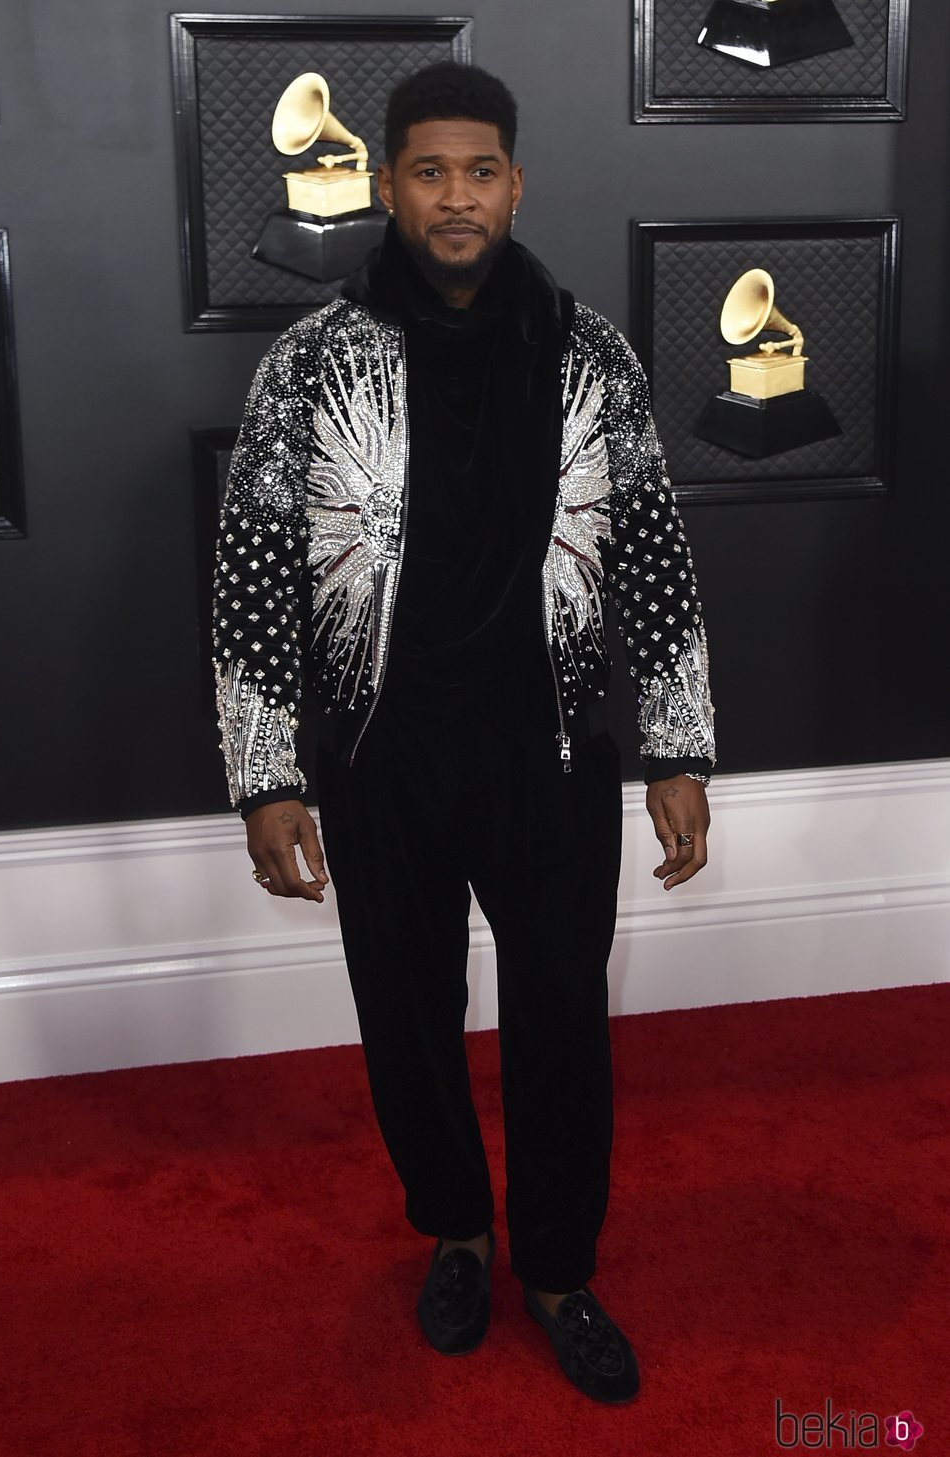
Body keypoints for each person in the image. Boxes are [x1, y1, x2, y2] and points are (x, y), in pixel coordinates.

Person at [212, 61, 716, 1405]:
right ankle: (456, 1227)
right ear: (388, 187)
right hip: (383, 759)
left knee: (563, 1016)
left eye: (478, 172)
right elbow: (253, 577)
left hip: (548, 753)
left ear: (514, 183)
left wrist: (677, 748)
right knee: (410, 1016)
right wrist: (265, 775)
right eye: (428, 172)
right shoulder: (310, 364)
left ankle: (554, 1265)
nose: (454, 197)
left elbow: (657, 550)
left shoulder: (591, 352)